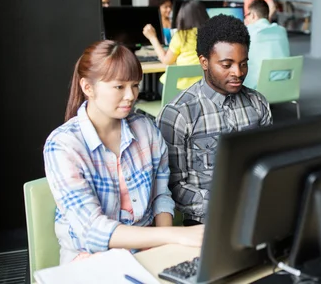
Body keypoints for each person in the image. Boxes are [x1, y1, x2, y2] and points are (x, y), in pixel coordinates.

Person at [43, 40, 203, 264]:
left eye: (135, 85)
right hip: (90, 260)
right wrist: (173, 235)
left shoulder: (147, 129)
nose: (131, 95)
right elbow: (93, 229)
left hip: (147, 250)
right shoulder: (63, 145)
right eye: (119, 87)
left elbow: (161, 196)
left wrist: (164, 250)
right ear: (88, 87)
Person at [157, 15, 272, 226]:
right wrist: (227, 205)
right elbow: (173, 186)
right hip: (207, 221)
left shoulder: (258, 104)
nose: (238, 73)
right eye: (227, 65)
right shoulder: (179, 114)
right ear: (204, 62)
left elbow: (269, 162)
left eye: (243, 64)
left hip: (256, 211)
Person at [143, 0, 209, 90]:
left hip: (177, 88)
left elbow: (166, 61)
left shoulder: (181, 35)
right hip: (202, 87)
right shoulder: (212, 35)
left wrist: (152, 38)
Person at [243, 0, 291, 89]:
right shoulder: (282, 31)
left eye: (247, 15)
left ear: (253, 15)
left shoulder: (249, 31)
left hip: (257, 89)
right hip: (284, 86)